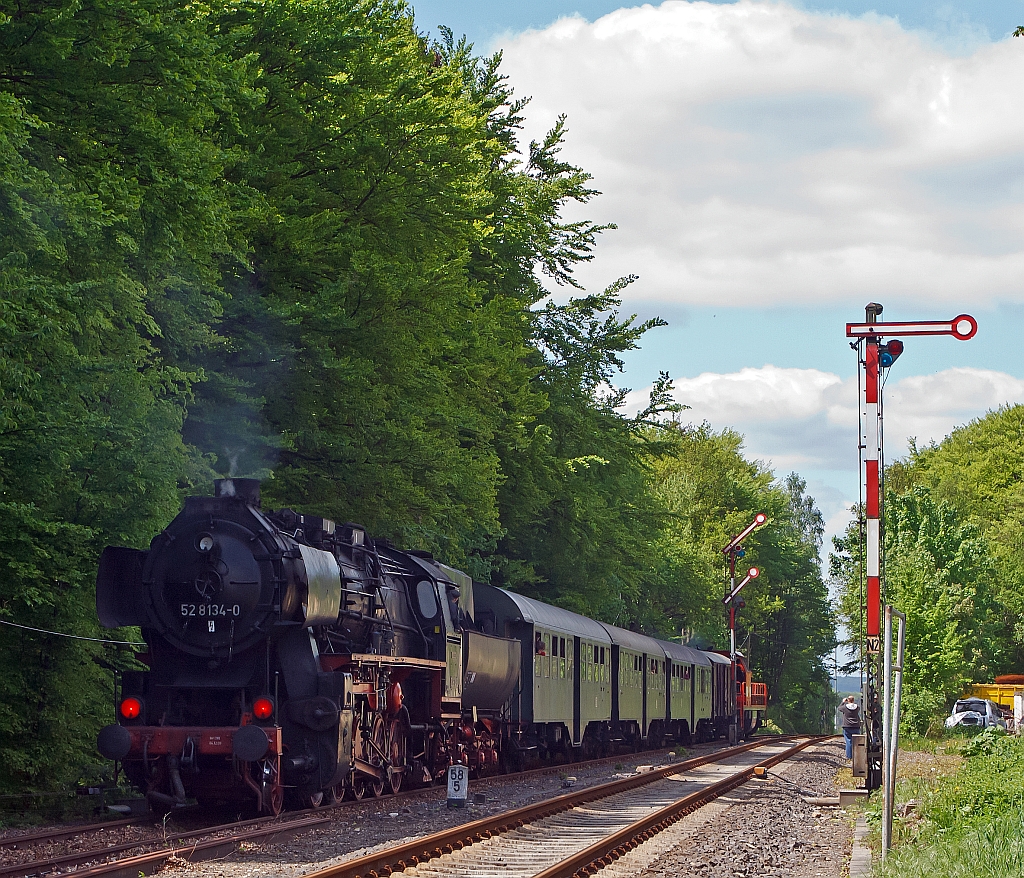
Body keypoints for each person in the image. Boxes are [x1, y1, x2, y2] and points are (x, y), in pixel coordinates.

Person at [839, 695, 861, 759]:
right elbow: (858, 708)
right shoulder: (857, 707)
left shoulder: (845, 707)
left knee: (849, 741)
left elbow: (839, 708)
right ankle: (857, 756)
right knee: (856, 742)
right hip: (856, 726)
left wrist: (843, 702)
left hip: (847, 726)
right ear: (853, 700)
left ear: (848, 700)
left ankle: (849, 757)